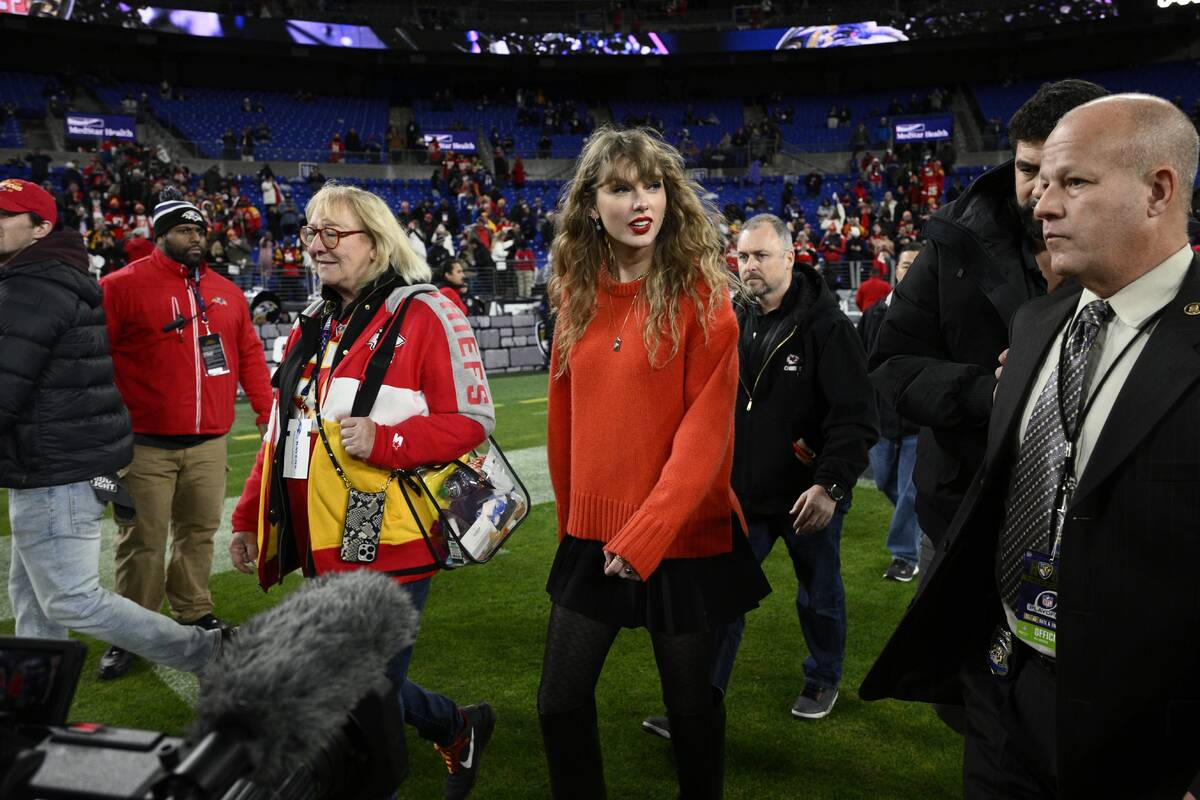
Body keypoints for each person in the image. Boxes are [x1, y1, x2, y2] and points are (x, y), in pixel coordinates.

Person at [863, 94, 1200, 799]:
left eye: (1072, 182)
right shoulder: (1041, 321)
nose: (1042, 205)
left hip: (1143, 724)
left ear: (1158, 190)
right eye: (1040, 181)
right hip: (1002, 689)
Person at [227, 182, 496, 799]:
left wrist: (387, 439)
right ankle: (459, 726)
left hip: (391, 537)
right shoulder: (310, 323)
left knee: (352, 695)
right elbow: (279, 433)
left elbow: (473, 422)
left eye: (332, 233)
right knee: (362, 686)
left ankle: (404, 762)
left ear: (375, 243)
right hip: (321, 540)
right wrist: (249, 516)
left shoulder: (429, 311)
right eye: (309, 233)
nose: (315, 246)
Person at [539, 127, 770, 799]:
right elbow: (564, 427)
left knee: (691, 710)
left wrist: (646, 535)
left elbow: (706, 438)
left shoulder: (705, 296)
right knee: (558, 703)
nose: (640, 200)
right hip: (595, 536)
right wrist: (573, 536)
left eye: (652, 184)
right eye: (619, 187)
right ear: (591, 204)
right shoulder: (573, 293)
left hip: (685, 536)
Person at [643, 213, 875, 737]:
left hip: (807, 495)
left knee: (819, 593)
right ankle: (700, 700)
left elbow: (856, 415)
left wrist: (830, 484)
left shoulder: (827, 326)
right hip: (743, 493)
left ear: (791, 257)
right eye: (743, 256)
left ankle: (823, 677)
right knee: (723, 597)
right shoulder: (731, 317)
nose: (748, 265)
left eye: (761, 255)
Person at [869, 79, 1108, 561]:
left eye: (1069, 176)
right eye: (1027, 169)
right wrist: (991, 393)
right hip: (963, 510)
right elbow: (892, 366)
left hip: (1096, 516)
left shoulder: (1136, 252)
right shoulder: (952, 242)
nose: (1041, 192)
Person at [0, 179, 222, 677]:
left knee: (70, 600)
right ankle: (32, 703)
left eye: (5, 216)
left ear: (40, 228)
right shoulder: (47, 277)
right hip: (56, 459)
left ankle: (208, 651)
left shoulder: (32, 285)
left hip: (54, 465)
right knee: (34, 598)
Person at [97, 189, 274, 680]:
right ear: (160, 235)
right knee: (143, 540)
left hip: (208, 441)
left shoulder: (227, 292)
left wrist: (267, 413)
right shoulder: (120, 286)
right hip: (144, 444)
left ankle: (194, 610)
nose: (194, 238)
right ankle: (130, 629)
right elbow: (95, 359)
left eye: (199, 231)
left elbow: (250, 358)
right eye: (183, 230)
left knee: (199, 533)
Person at [859, 244, 923, 582]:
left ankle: (904, 557)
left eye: (916, 265)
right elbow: (859, 361)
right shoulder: (873, 315)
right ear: (894, 270)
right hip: (881, 420)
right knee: (885, 481)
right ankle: (923, 520)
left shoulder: (934, 313)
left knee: (911, 491)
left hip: (917, 422)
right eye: (904, 265)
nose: (909, 270)